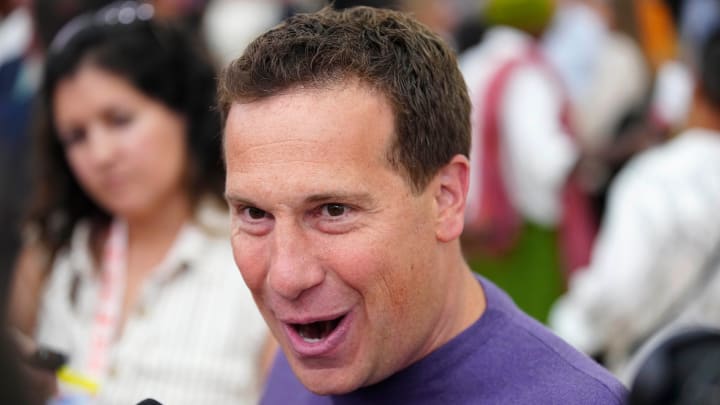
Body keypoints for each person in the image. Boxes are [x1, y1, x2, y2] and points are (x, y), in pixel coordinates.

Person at [220, 6, 626, 403]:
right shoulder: (301, 355)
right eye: (255, 214)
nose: (286, 278)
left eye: (333, 210)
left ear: (446, 199)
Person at [8, 2, 268, 404]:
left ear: (183, 111)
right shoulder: (51, 255)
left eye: (120, 120)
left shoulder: (258, 262)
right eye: (76, 136)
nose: (101, 153)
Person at [549, 24, 720, 379]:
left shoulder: (656, 179)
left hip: (659, 377)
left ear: (697, 92)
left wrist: (565, 329)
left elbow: (614, 294)